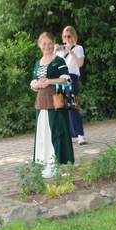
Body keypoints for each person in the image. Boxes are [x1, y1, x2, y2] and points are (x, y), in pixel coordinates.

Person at [30, 32, 74, 178]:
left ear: (53, 44)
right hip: (41, 100)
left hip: (55, 99)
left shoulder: (58, 60)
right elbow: (33, 84)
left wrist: (50, 81)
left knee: (56, 130)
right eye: (44, 43)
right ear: (39, 45)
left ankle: (55, 163)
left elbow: (66, 79)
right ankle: (45, 162)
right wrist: (38, 84)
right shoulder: (37, 63)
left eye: (49, 43)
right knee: (43, 132)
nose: (47, 46)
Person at [58, 26, 87, 144]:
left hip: (71, 77)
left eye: (69, 36)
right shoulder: (60, 50)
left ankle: (80, 134)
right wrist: (56, 52)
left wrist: (71, 53)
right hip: (60, 78)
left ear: (73, 36)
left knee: (72, 106)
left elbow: (80, 64)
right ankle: (67, 133)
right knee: (61, 106)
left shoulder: (78, 48)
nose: (67, 39)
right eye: (65, 36)